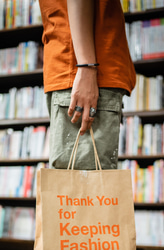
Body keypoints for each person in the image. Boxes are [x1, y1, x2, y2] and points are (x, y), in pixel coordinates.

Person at [38, 0, 136, 170]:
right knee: (84, 184)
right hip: (85, 68)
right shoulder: (87, 69)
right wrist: (86, 66)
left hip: (77, 67)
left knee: (83, 183)